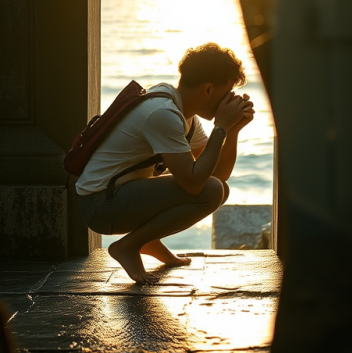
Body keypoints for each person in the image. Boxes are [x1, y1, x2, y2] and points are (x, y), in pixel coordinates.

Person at [76, 42, 255, 282]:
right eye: (227, 93)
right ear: (209, 89)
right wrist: (221, 127)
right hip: (99, 205)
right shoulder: (162, 113)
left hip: (116, 196)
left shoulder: (185, 115)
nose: (229, 100)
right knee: (211, 191)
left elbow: (219, 174)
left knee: (218, 188)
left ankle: (147, 241)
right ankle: (128, 246)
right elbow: (194, 184)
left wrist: (232, 130)